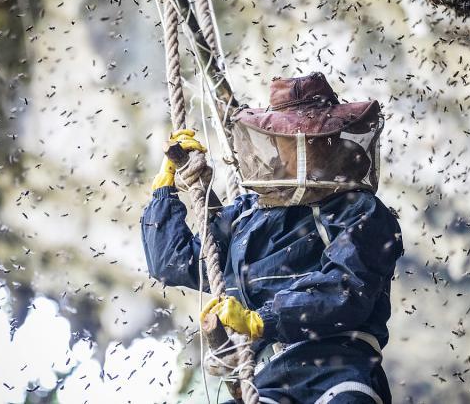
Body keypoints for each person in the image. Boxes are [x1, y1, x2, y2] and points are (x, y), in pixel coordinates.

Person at [141, 72, 403, 403]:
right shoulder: (248, 212)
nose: (304, 146)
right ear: (276, 143)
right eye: (292, 137)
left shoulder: (360, 210)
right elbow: (174, 263)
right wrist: (164, 189)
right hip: (268, 378)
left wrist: (261, 319)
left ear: (334, 139)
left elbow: (345, 290)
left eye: (314, 136)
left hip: (341, 370)